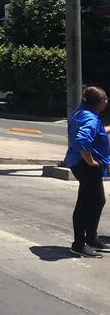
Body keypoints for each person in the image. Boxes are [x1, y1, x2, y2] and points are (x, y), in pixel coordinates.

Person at [65, 86, 110, 258]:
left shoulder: (81, 112)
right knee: (87, 203)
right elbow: (83, 140)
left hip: (79, 163)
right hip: (86, 166)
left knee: (97, 201)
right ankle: (78, 244)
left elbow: (96, 131)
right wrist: (90, 161)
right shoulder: (90, 118)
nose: (107, 101)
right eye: (105, 98)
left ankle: (91, 238)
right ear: (99, 103)